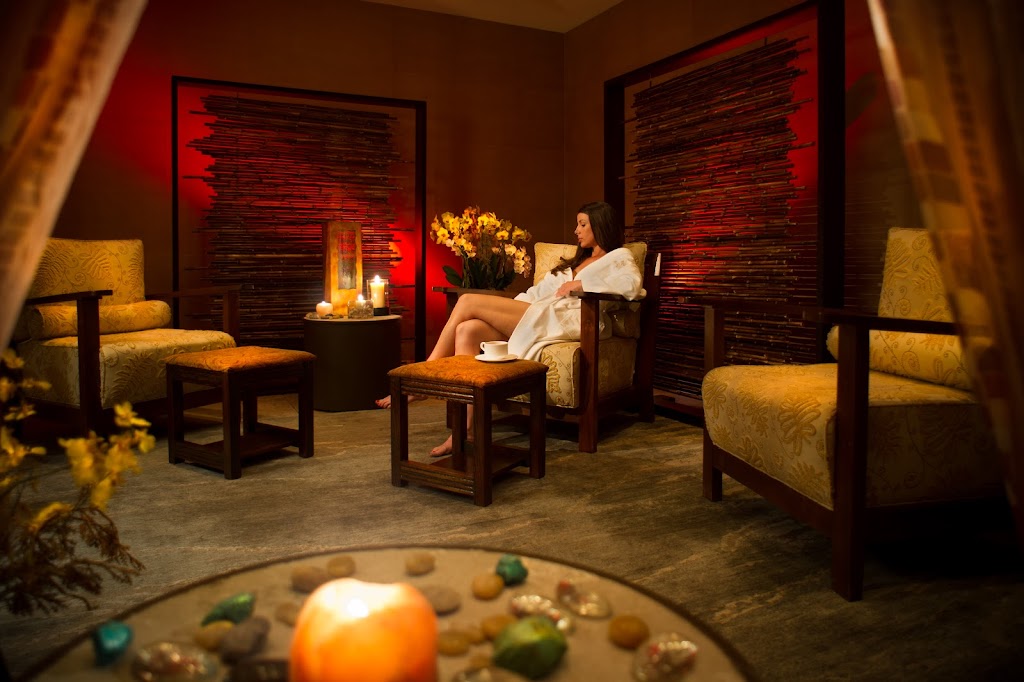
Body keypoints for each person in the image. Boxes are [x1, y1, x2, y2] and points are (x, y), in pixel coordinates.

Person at [377, 201, 644, 456]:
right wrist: (510, 310)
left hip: (570, 318)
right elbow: (537, 293)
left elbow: (632, 286)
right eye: (577, 224)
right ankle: (465, 430)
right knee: (467, 330)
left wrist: (582, 285)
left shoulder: (619, 257)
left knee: (467, 301)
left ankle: (423, 378)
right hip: (537, 311)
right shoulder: (574, 262)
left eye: (582, 224)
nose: (576, 230)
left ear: (600, 225)